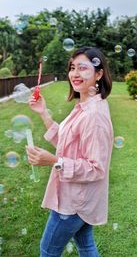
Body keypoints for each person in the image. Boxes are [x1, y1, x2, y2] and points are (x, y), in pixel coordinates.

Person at [26, 46, 114, 257]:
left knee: (48, 251)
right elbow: (69, 144)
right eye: (72, 67)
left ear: (99, 74)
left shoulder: (94, 115)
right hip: (80, 200)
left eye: (83, 68)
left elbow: (96, 168)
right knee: (86, 245)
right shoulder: (86, 105)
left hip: (73, 202)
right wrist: (44, 113)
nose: (75, 73)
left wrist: (55, 161)